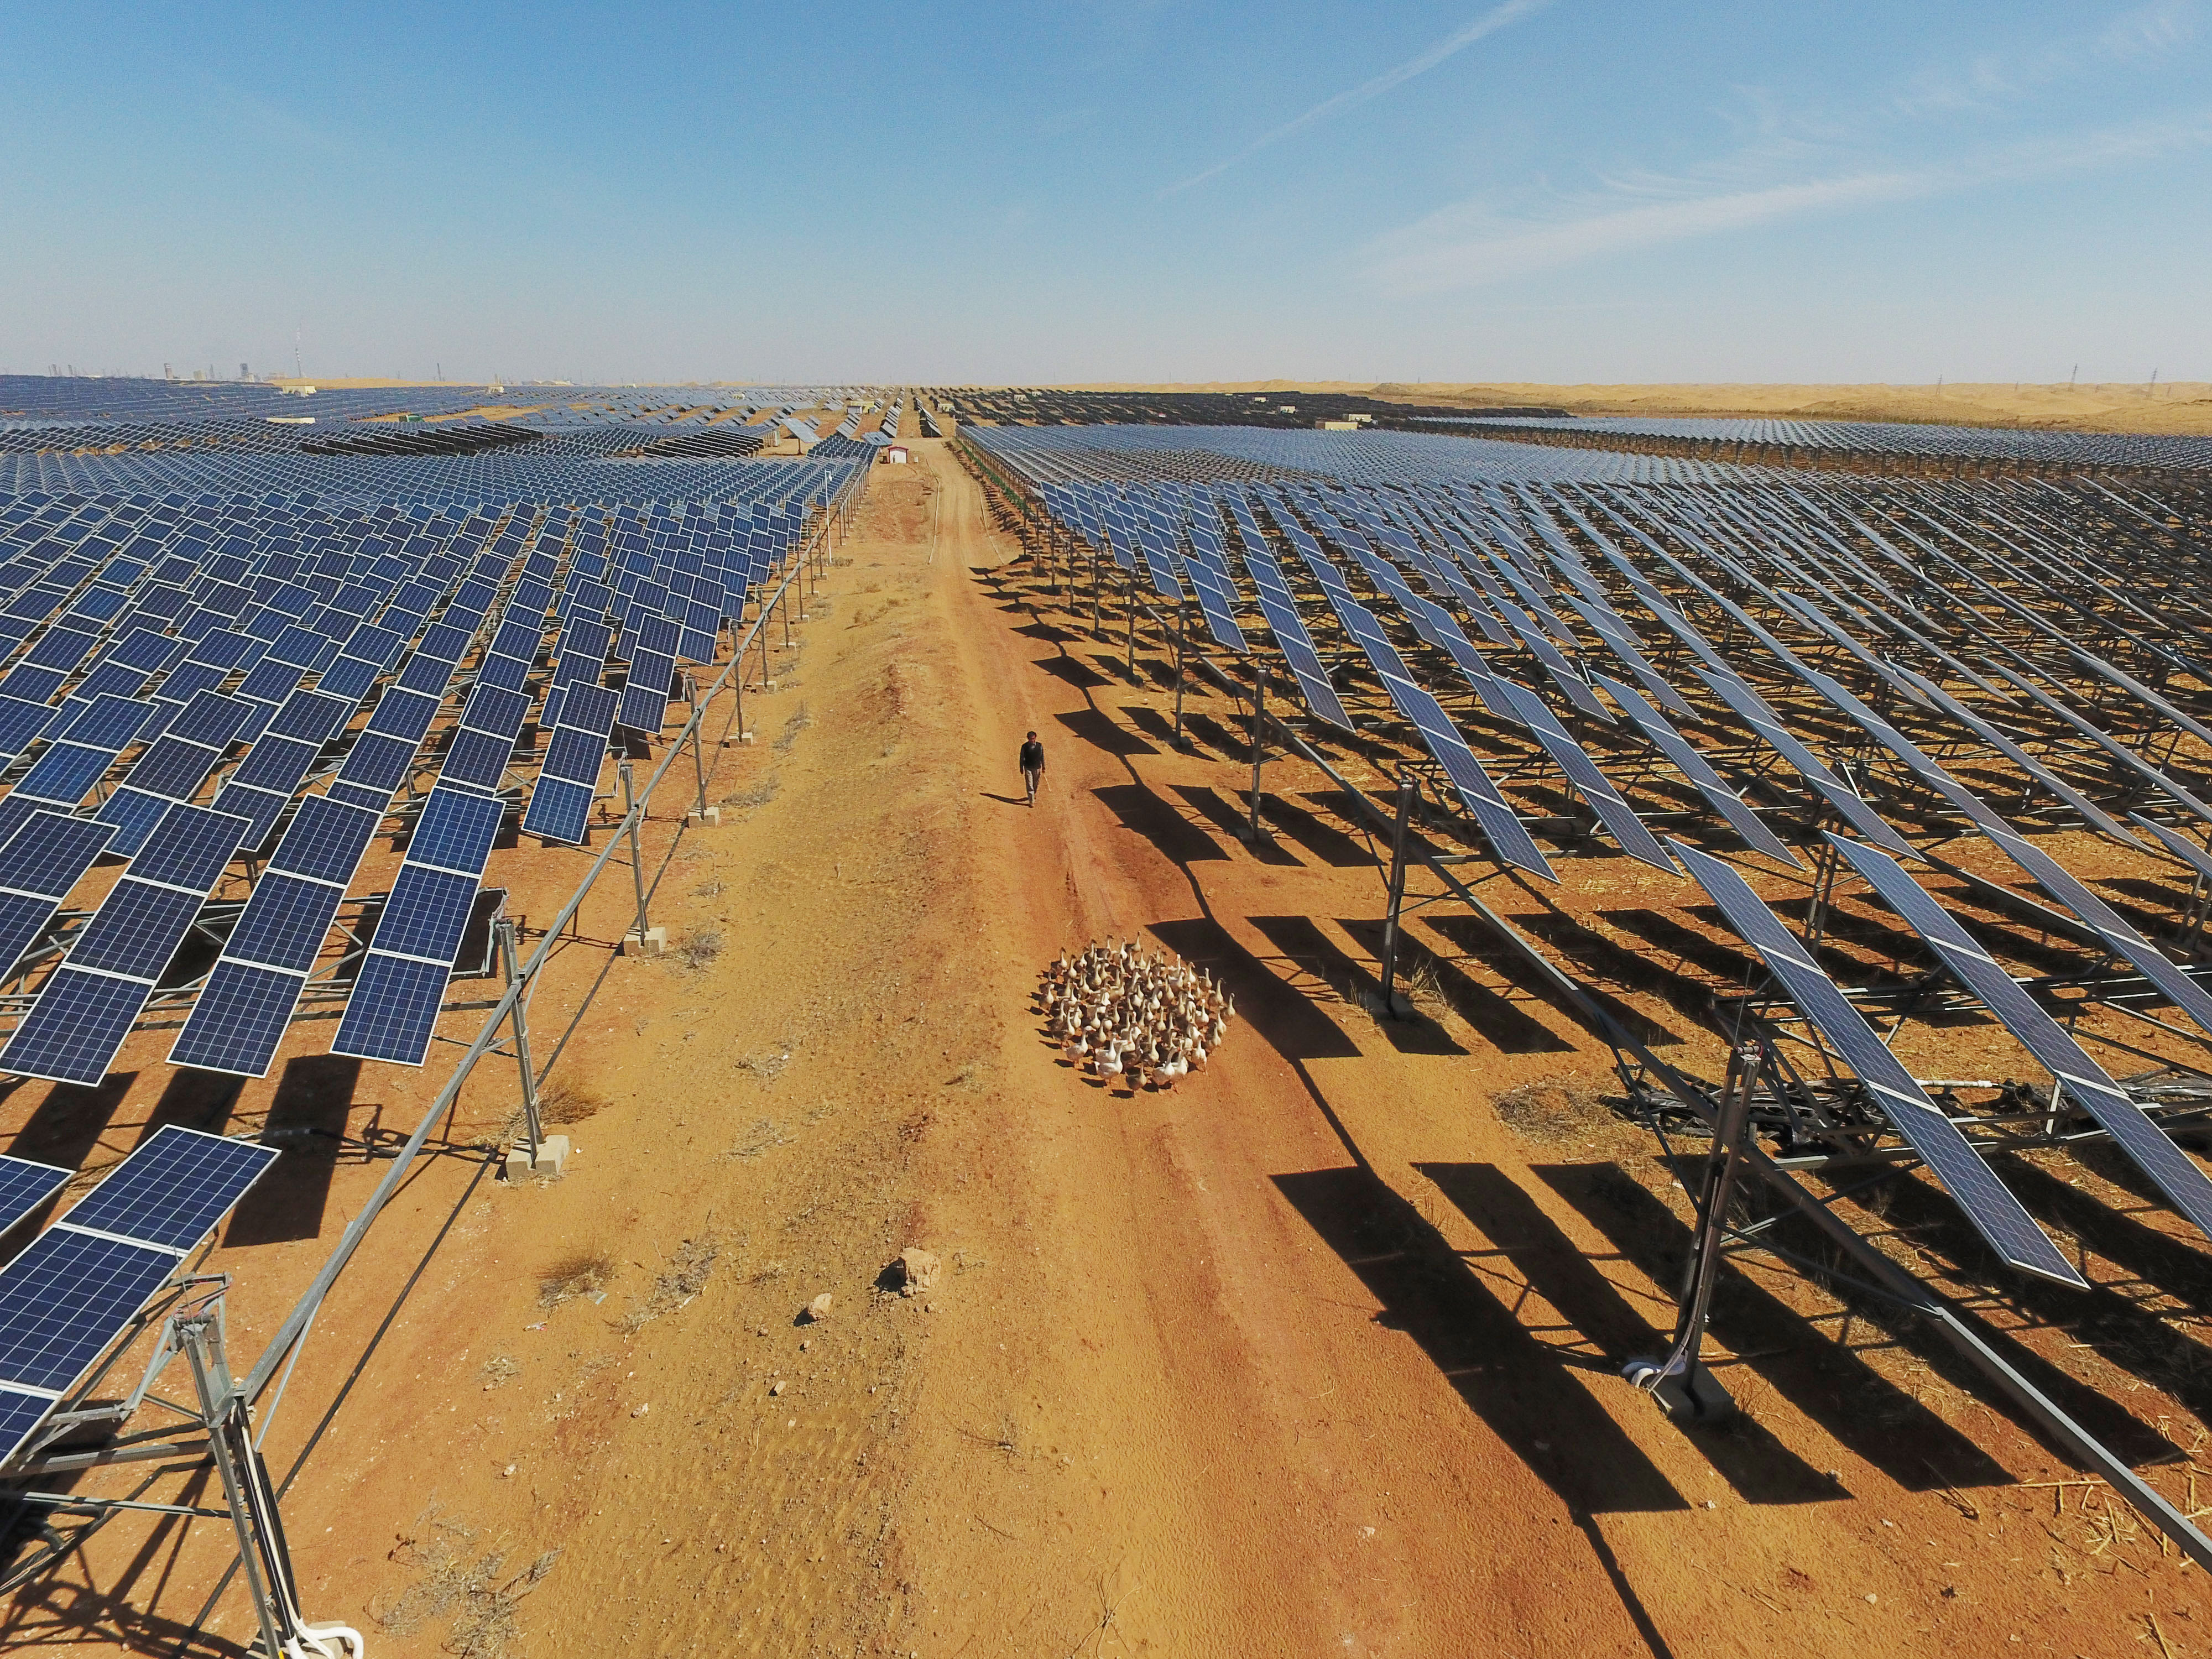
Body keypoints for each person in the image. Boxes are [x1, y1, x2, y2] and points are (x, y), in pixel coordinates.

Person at [1019, 731, 1045, 806]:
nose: (1032, 741)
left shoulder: (1039, 746)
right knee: (1030, 784)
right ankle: (1031, 800)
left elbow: (1042, 757)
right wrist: (1021, 767)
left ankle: (1033, 794)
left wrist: (1044, 767)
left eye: (1033, 739)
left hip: (1037, 768)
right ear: (1028, 739)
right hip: (1028, 767)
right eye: (1031, 739)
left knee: (1035, 784)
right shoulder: (1024, 747)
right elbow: (1022, 758)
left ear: (1035, 738)